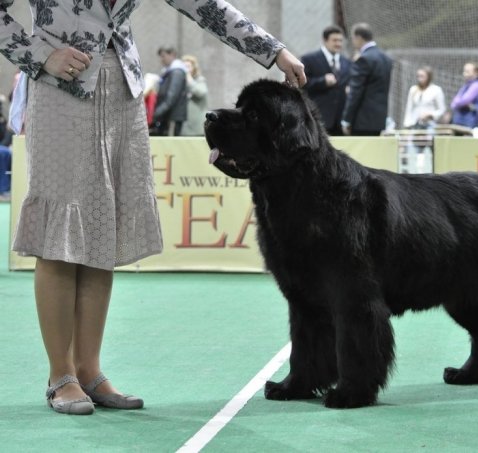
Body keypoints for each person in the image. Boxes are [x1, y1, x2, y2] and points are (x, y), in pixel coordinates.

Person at [0, 0, 305, 416]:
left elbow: (204, 5)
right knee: (59, 235)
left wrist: (273, 50)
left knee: (100, 230)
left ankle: (89, 371)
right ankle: (60, 377)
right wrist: (42, 55)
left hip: (123, 93)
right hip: (58, 91)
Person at [341, 23, 393, 136]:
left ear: (359, 38)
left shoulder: (363, 59)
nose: (353, 42)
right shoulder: (386, 58)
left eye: (353, 38)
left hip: (362, 120)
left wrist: (346, 119)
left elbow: (355, 91)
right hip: (379, 119)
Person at [300, 25, 351, 135]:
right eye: (335, 40)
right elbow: (301, 83)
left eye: (340, 40)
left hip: (340, 121)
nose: (338, 44)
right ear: (325, 40)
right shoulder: (309, 59)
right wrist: (322, 81)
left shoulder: (347, 62)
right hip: (319, 118)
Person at [151, 46, 189, 136]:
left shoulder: (177, 72)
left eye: (163, 56)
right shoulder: (170, 71)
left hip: (173, 116)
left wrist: (155, 114)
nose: (161, 59)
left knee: (171, 147)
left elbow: (171, 97)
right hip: (168, 115)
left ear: (172, 55)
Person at [180, 54, 209, 136]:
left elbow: (201, 92)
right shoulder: (182, 82)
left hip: (197, 125)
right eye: (184, 67)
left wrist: (188, 76)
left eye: (188, 66)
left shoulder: (199, 80)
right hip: (186, 125)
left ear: (194, 68)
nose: (186, 69)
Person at [450, 62, 478, 129]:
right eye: (464, 71)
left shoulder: (477, 85)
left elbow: (464, 100)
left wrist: (457, 103)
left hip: (469, 122)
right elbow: (454, 103)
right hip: (458, 120)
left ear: (476, 73)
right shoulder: (465, 86)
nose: (464, 74)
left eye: (467, 71)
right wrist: (456, 103)